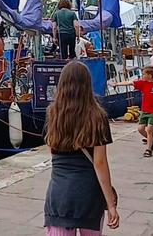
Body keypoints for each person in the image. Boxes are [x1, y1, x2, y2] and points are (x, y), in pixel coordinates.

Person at [44, 61, 119, 234]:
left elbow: (52, 150)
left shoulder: (53, 114)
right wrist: (110, 204)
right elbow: (100, 163)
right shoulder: (98, 116)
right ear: (87, 85)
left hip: (59, 194)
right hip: (89, 195)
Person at [111, 66, 153, 157]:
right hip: (145, 110)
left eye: (144, 74)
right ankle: (151, 139)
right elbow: (129, 83)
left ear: (149, 75)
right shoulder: (142, 83)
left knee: (149, 129)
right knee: (140, 129)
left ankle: (148, 149)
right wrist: (117, 84)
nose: (142, 76)